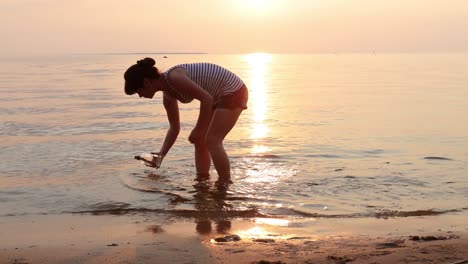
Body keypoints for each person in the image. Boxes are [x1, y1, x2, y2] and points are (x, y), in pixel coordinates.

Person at [124, 58, 248, 184]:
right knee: (200, 141)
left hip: (233, 90)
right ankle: (202, 180)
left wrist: (199, 129)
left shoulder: (174, 77)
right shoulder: (168, 96)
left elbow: (206, 99)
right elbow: (174, 128)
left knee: (212, 140)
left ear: (146, 82)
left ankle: (224, 183)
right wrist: (161, 155)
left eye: (138, 91)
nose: (140, 96)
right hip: (216, 95)